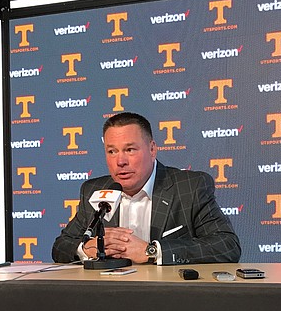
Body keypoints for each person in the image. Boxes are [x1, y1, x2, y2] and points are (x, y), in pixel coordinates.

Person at [52, 112, 241, 265]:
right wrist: (84, 250)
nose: (120, 161)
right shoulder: (95, 191)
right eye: (112, 151)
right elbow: (61, 247)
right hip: (108, 299)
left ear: (152, 149)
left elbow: (227, 245)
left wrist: (151, 251)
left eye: (130, 150)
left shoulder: (190, 187)